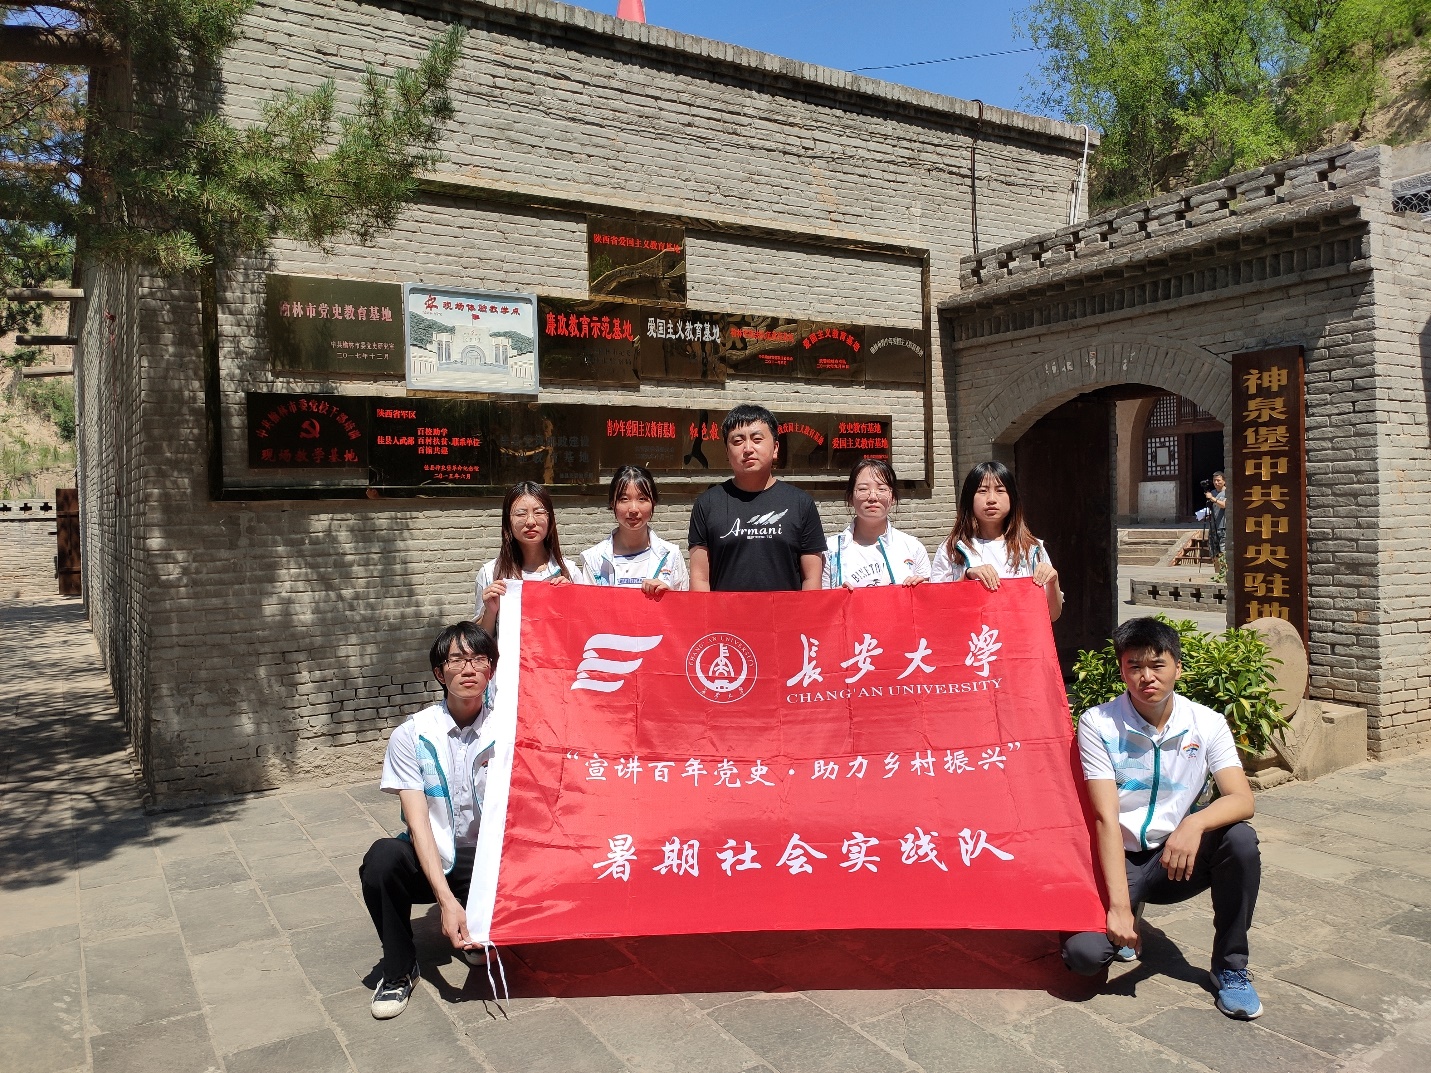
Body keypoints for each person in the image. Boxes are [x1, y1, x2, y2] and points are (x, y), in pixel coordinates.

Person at [1062, 617, 1263, 1020]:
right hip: (1119, 856)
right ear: (1122, 671)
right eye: (1134, 666)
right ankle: (1128, 909)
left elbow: (1242, 799)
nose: (1146, 677)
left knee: (1240, 840)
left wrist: (1193, 824)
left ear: (1178, 668)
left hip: (1176, 858)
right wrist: (1119, 907)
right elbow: (1105, 817)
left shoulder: (1206, 723)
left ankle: (1230, 967)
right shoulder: (1098, 723)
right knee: (1084, 956)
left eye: (1157, 665)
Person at [360, 622, 499, 1020]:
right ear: (440, 673)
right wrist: (445, 901)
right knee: (383, 859)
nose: (469, 668)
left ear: (490, 670)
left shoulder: (508, 730)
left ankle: (479, 932)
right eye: (457, 660)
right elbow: (418, 822)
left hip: (490, 863)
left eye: (479, 659)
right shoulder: (413, 734)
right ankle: (400, 969)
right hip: (434, 858)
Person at [688, 403, 825, 591]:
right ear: (727, 452)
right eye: (738, 441)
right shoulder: (707, 504)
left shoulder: (801, 503)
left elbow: (812, 578)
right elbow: (700, 579)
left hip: (783, 610)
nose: (748, 448)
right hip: (726, 611)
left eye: (757, 439)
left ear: (775, 448)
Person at [931, 461, 1063, 620]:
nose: (991, 499)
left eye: (1000, 490)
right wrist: (966, 577)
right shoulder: (952, 548)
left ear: (1012, 497)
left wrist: (1053, 581)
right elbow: (936, 607)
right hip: (976, 635)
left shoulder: (1032, 548)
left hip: (1018, 634)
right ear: (969, 498)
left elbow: (1052, 615)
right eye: (982, 491)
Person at [474, 481, 585, 632]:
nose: (531, 521)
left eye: (539, 512)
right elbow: (479, 641)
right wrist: (491, 611)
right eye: (521, 514)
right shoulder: (489, 573)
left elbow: (583, 631)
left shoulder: (570, 572)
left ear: (550, 518)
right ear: (508, 521)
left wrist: (570, 599)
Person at [579, 464, 689, 594]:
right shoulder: (594, 559)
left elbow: (685, 604)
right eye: (624, 499)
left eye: (642, 499)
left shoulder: (671, 556)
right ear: (612, 503)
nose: (633, 509)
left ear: (653, 502)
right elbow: (589, 605)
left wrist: (671, 596)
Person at [822, 458, 930, 589]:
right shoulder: (831, 550)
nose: (872, 497)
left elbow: (926, 600)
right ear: (850, 498)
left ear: (893, 497)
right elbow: (819, 598)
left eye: (882, 489)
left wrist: (922, 589)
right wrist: (834, 596)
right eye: (863, 489)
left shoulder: (913, 548)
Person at [1204, 471, 1227, 560]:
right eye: (1214, 480)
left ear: (1224, 481)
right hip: (1213, 526)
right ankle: (1216, 567)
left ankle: (1224, 568)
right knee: (1213, 552)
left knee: (1223, 551)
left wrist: (1213, 499)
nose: (1216, 483)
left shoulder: (1227, 492)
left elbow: (1224, 505)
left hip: (1223, 526)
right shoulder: (1212, 492)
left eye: (1218, 480)